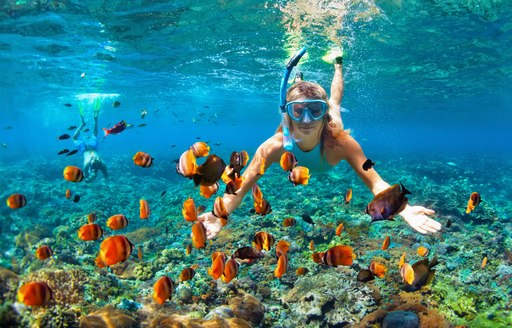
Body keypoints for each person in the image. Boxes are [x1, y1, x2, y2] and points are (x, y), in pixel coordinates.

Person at [198, 49, 441, 239]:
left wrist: (404, 208)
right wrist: (220, 215)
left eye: (315, 110)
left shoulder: (343, 143)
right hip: (288, 129)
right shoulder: (274, 146)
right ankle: (298, 80)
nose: (306, 120)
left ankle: (337, 63)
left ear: (323, 115)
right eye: (298, 111)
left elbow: (375, 181)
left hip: (331, 122)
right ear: (289, 113)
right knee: (302, 98)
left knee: (335, 100)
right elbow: (239, 187)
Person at [72, 98, 108, 181]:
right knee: (74, 138)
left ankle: (93, 121)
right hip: (84, 148)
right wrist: (88, 179)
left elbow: (105, 175)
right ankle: (84, 124)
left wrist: (90, 178)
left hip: (92, 146)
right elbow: (87, 176)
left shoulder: (101, 164)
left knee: (94, 135)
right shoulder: (88, 162)